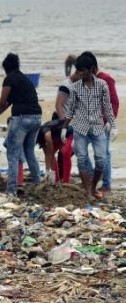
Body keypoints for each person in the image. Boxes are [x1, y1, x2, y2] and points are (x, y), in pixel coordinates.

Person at [0, 53, 42, 195]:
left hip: (21, 118)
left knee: (13, 154)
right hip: (37, 118)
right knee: (30, 152)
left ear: (6, 68)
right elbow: (7, 104)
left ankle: (11, 191)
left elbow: (2, 102)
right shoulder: (25, 79)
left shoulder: (9, 79)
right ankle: (38, 184)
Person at [61, 55, 117, 199]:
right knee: (81, 158)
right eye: (78, 71)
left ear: (92, 69)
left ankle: (95, 185)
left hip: (98, 126)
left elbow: (108, 105)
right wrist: (64, 127)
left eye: (83, 71)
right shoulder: (75, 87)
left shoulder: (102, 84)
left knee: (101, 158)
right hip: (80, 127)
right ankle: (89, 190)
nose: (80, 74)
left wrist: (112, 124)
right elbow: (71, 109)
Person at [79, 51, 118, 193]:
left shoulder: (106, 79)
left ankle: (106, 184)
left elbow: (114, 101)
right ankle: (91, 177)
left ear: (93, 68)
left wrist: (110, 122)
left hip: (103, 122)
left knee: (104, 153)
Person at [55, 71, 77, 183]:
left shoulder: (77, 85)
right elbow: (58, 105)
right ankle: (61, 178)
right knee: (64, 152)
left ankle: (62, 177)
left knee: (67, 151)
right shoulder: (66, 85)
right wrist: (64, 125)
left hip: (74, 124)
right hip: (65, 124)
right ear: (78, 72)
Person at [36, 113, 67, 183]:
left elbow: (51, 153)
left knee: (58, 155)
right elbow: (46, 154)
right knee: (50, 154)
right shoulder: (40, 138)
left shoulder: (45, 132)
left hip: (67, 131)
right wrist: (47, 171)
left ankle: (58, 178)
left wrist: (52, 172)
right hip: (57, 134)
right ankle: (55, 177)